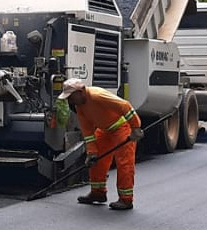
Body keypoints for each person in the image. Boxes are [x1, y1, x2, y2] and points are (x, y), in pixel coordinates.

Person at [58, 78, 144, 210]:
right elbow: (87, 130)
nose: (69, 100)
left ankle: (126, 200)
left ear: (80, 92)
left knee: (124, 163)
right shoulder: (79, 106)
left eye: (70, 96)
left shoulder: (97, 95)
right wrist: (91, 152)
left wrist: (135, 127)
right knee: (96, 160)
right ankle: (98, 193)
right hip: (105, 130)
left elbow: (125, 105)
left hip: (122, 127)